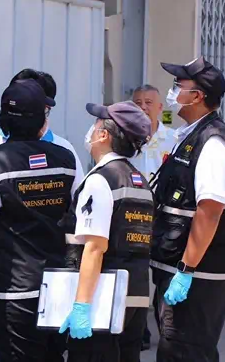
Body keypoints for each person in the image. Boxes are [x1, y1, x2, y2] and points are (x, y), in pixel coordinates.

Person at [0, 79, 83, 362]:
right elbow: (79, 211)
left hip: (15, 287)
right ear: (42, 120)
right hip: (59, 283)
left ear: (3, 120)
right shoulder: (66, 158)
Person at [150, 57, 225, 362]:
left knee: (185, 351)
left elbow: (210, 211)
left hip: (198, 273)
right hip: (178, 267)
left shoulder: (212, 143)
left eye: (179, 85)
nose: (173, 91)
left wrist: (186, 270)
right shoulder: (190, 136)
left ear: (198, 96)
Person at [59, 101, 156, 362]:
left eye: (96, 124)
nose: (91, 130)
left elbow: (95, 246)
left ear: (103, 135)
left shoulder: (101, 180)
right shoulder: (139, 181)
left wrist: (81, 305)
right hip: (134, 295)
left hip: (101, 300)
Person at [130, 84, 176, 351]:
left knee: (162, 273)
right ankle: (138, 329)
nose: (143, 107)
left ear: (160, 108)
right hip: (133, 216)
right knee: (135, 272)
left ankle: (166, 327)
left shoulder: (174, 140)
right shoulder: (125, 139)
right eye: (137, 102)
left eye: (148, 102)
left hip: (164, 217)